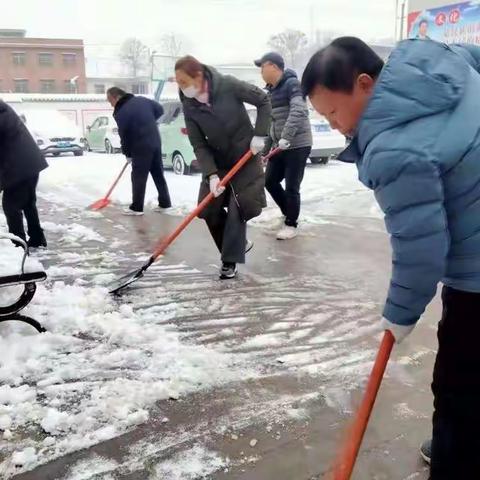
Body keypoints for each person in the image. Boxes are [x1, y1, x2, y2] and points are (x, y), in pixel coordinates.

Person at [301, 37, 480, 479]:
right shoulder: (442, 62)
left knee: (458, 388)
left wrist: (399, 315)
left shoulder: (393, 147)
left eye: (333, 112)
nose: (335, 126)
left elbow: (421, 252)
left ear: (364, 84)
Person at [175, 55, 271, 279]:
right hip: (218, 162)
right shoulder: (189, 105)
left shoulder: (227, 84)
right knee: (208, 209)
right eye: (177, 82)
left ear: (198, 76)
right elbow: (198, 143)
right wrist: (210, 175)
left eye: (183, 81)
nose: (180, 86)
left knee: (237, 205)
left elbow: (263, 100)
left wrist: (259, 134)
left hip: (245, 156)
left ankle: (229, 260)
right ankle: (233, 245)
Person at [254, 52, 312, 240]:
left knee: (291, 186)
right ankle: (289, 212)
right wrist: (265, 150)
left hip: (298, 144)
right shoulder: (271, 91)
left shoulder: (292, 84)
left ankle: (291, 224)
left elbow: (299, 109)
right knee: (269, 181)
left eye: (263, 67)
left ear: (273, 66)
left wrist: (286, 136)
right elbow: (273, 122)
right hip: (280, 146)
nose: (261, 71)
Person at [107, 87, 171, 215]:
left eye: (110, 100)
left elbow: (124, 135)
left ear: (117, 97)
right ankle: (165, 204)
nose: (110, 104)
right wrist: (148, 121)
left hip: (140, 146)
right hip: (155, 141)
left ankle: (137, 207)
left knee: (138, 176)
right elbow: (160, 109)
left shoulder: (121, 112)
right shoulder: (142, 100)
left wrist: (127, 153)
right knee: (158, 173)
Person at [0, 101, 48, 248]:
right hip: (30, 164)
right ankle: (37, 238)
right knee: (27, 203)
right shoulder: (3, 110)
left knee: (11, 206)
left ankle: (19, 246)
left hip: (19, 167)